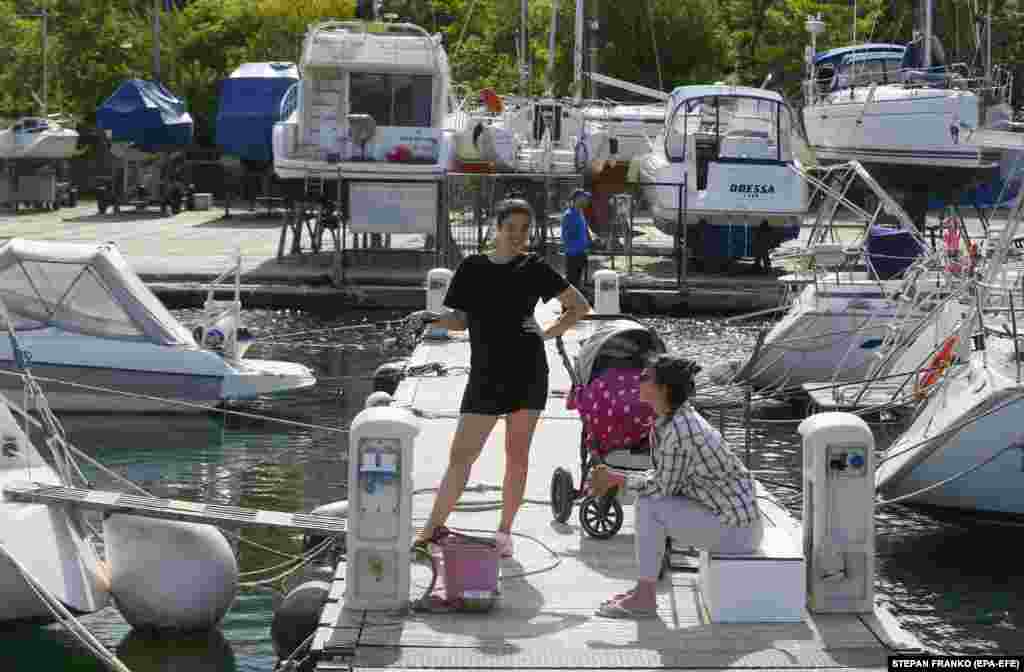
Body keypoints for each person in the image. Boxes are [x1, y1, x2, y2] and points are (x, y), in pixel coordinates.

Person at [407, 197, 592, 558]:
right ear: (497, 227)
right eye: (511, 228)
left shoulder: (535, 267)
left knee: (516, 457)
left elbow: (580, 306)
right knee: (461, 456)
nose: (518, 236)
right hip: (485, 376)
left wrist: (548, 333)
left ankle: (504, 533)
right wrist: (427, 318)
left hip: (528, 373)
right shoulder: (472, 267)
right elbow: (459, 321)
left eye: (525, 229)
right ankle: (429, 530)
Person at [589, 354, 763, 618]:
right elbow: (664, 479)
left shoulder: (682, 430)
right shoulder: (673, 421)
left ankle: (645, 597)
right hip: (731, 521)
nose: (638, 380)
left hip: (737, 531)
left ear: (664, 389)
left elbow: (661, 489)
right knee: (649, 502)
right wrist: (619, 476)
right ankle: (643, 592)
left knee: (650, 504)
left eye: (645, 377)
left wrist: (615, 478)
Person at [561, 189, 593, 293]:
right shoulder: (569, 215)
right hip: (573, 255)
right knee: (571, 283)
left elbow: (584, 230)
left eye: (586, 198)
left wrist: (590, 240)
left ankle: (575, 306)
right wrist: (576, 248)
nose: (586, 201)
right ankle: (566, 307)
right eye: (583, 198)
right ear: (576, 200)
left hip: (581, 253)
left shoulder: (580, 213)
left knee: (578, 283)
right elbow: (566, 237)